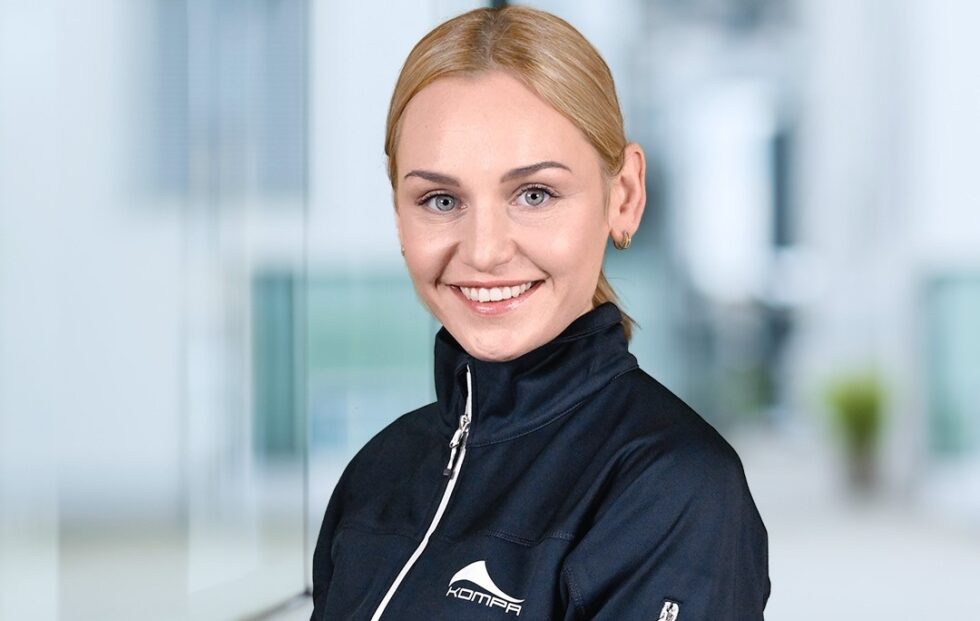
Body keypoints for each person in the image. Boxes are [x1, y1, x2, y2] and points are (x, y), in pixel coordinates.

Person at [311, 6, 770, 620]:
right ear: (399, 215)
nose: (483, 251)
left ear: (624, 196)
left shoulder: (673, 488)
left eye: (535, 194)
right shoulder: (378, 473)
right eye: (440, 200)